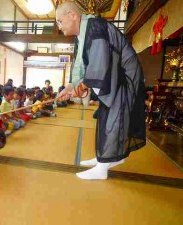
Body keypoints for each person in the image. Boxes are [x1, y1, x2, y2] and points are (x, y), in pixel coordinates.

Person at [56, 2, 146, 180]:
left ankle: (103, 166)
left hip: (123, 76)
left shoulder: (95, 26)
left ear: (73, 15)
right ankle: (107, 159)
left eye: (60, 21)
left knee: (113, 116)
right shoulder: (83, 33)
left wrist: (81, 87)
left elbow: (99, 62)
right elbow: (81, 68)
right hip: (113, 77)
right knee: (108, 114)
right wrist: (70, 86)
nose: (59, 27)